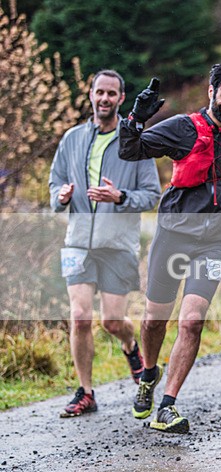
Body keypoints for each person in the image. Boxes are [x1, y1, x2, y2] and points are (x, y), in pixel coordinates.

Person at [119, 61, 221, 433]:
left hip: (214, 242)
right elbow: (131, 150)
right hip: (173, 234)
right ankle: (149, 374)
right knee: (155, 320)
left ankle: (168, 406)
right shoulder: (183, 128)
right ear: (211, 92)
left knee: (192, 321)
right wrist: (136, 118)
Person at [48, 70, 161, 417]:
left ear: (121, 98)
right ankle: (85, 392)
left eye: (112, 93)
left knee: (112, 321)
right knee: (80, 317)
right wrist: (62, 196)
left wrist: (120, 196)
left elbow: (152, 195)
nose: (105, 99)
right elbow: (53, 187)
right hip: (78, 241)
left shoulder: (135, 144)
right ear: (91, 94)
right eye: (100, 92)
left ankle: (130, 345)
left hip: (118, 245)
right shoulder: (72, 139)